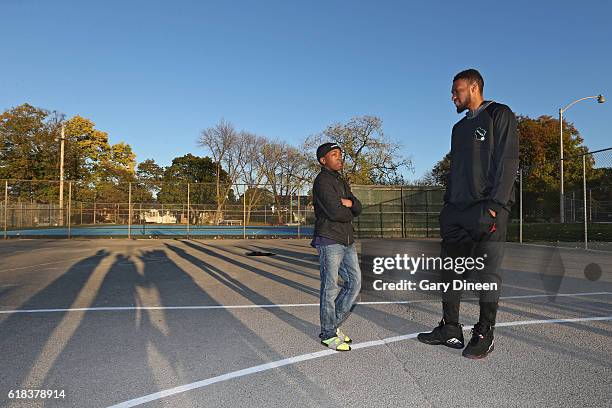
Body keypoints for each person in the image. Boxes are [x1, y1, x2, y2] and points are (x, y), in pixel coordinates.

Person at [417, 69, 519, 359]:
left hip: (487, 209)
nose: (453, 96)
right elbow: (456, 170)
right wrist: (447, 206)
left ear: (474, 87)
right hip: (456, 212)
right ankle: (450, 327)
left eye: (457, 90)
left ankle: (485, 331)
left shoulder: (499, 114)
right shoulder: (458, 128)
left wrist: (496, 205)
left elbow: (508, 161)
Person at [312, 142, 363, 351]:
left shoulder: (341, 180)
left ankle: (332, 325)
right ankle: (328, 333)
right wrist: (346, 206)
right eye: (334, 155)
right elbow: (335, 212)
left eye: (340, 154)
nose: (339, 157)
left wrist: (349, 203)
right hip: (329, 240)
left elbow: (357, 206)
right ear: (323, 160)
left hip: (347, 240)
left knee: (355, 283)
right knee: (330, 287)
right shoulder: (322, 181)